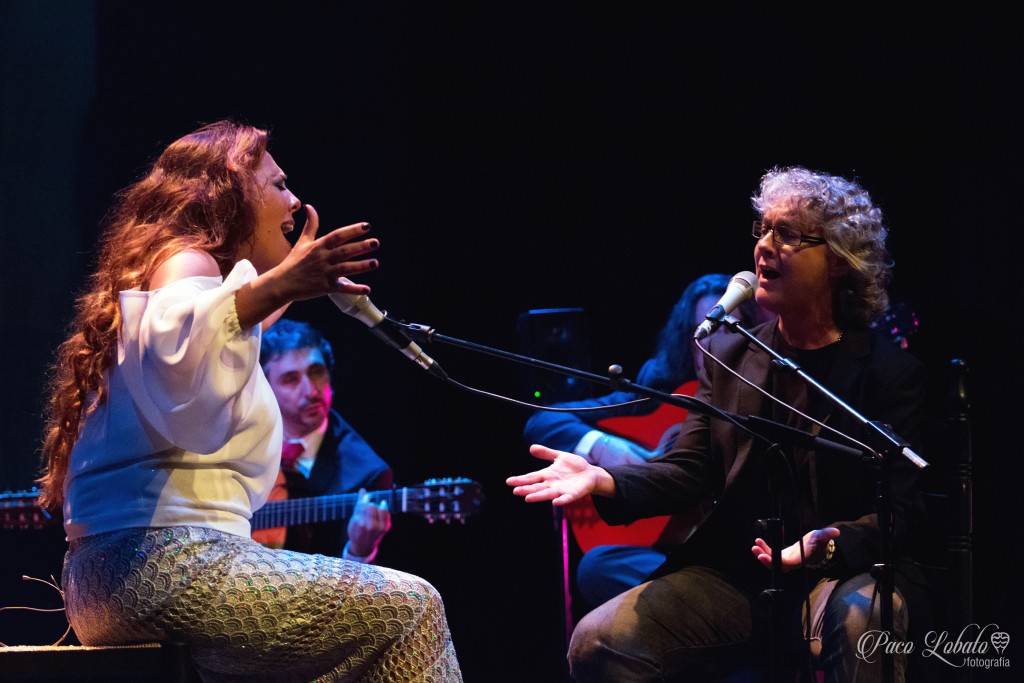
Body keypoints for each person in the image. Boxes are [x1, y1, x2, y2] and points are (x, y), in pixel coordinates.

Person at [37, 120, 462, 682]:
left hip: (119, 576)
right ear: (228, 194)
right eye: (279, 184)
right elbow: (184, 343)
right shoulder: (186, 262)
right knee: (411, 607)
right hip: (166, 566)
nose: (295, 201)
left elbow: (223, 324)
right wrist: (284, 282)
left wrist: (291, 282)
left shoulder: (184, 281)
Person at [507, 166, 927, 682]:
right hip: (739, 576)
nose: (764, 246)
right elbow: (689, 469)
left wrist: (832, 542)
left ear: (839, 260)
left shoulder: (889, 372)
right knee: (599, 640)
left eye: (788, 234)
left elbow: (902, 510)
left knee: (867, 617)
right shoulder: (731, 357)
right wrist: (605, 478)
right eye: (763, 229)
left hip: (838, 574)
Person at [522, 274, 769, 609]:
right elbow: (544, 420)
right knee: (597, 567)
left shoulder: (765, 399)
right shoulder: (660, 396)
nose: (715, 343)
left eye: (728, 328)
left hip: (739, 554)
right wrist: (608, 449)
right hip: (671, 555)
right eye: (705, 329)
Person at [257, 318, 393, 563]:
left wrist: (359, 550)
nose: (311, 391)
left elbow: (349, 580)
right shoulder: (235, 435)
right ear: (265, 387)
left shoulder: (365, 474)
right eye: (291, 379)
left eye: (316, 372)